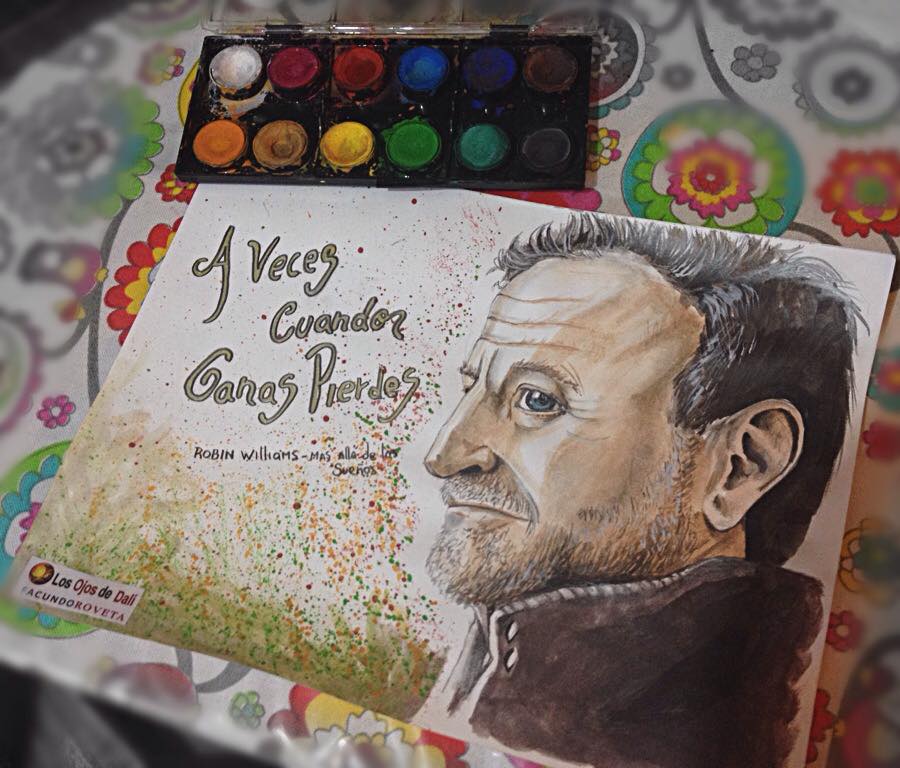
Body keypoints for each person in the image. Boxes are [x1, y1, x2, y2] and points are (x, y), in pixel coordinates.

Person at [424, 214, 861, 768]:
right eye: (471, 390)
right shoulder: (495, 662)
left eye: (537, 400)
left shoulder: (712, 729)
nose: (444, 456)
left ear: (740, 467)